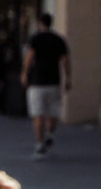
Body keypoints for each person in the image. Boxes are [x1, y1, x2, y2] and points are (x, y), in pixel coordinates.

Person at [22, 13, 70, 159]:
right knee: (53, 112)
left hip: (37, 82)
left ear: (39, 23)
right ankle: (49, 133)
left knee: (38, 114)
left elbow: (30, 56)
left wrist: (24, 73)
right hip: (54, 81)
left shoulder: (35, 38)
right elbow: (65, 60)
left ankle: (39, 143)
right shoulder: (58, 40)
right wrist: (68, 78)